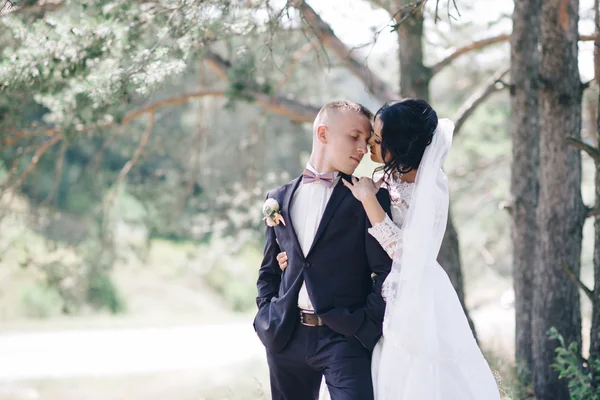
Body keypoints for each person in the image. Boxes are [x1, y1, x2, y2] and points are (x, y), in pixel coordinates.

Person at [277, 99, 501, 399]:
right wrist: (295, 263)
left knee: (417, 376)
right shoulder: (385, 179)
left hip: (416, 295)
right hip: (385, 296)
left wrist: (369, 199)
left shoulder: (430, 188)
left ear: (399, 145)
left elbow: (407, 255)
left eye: (377, 140)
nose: (369, 145)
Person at [253, 100, 393, 400]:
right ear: (323, 133)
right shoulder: (278, 198)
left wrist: (365, 326)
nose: (361, 148)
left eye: (367, 141)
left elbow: (385, 271)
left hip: (344, 337)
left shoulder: (368, 198)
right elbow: (269, 270)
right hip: (286, 336)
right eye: (354, 137)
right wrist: (266, 315)